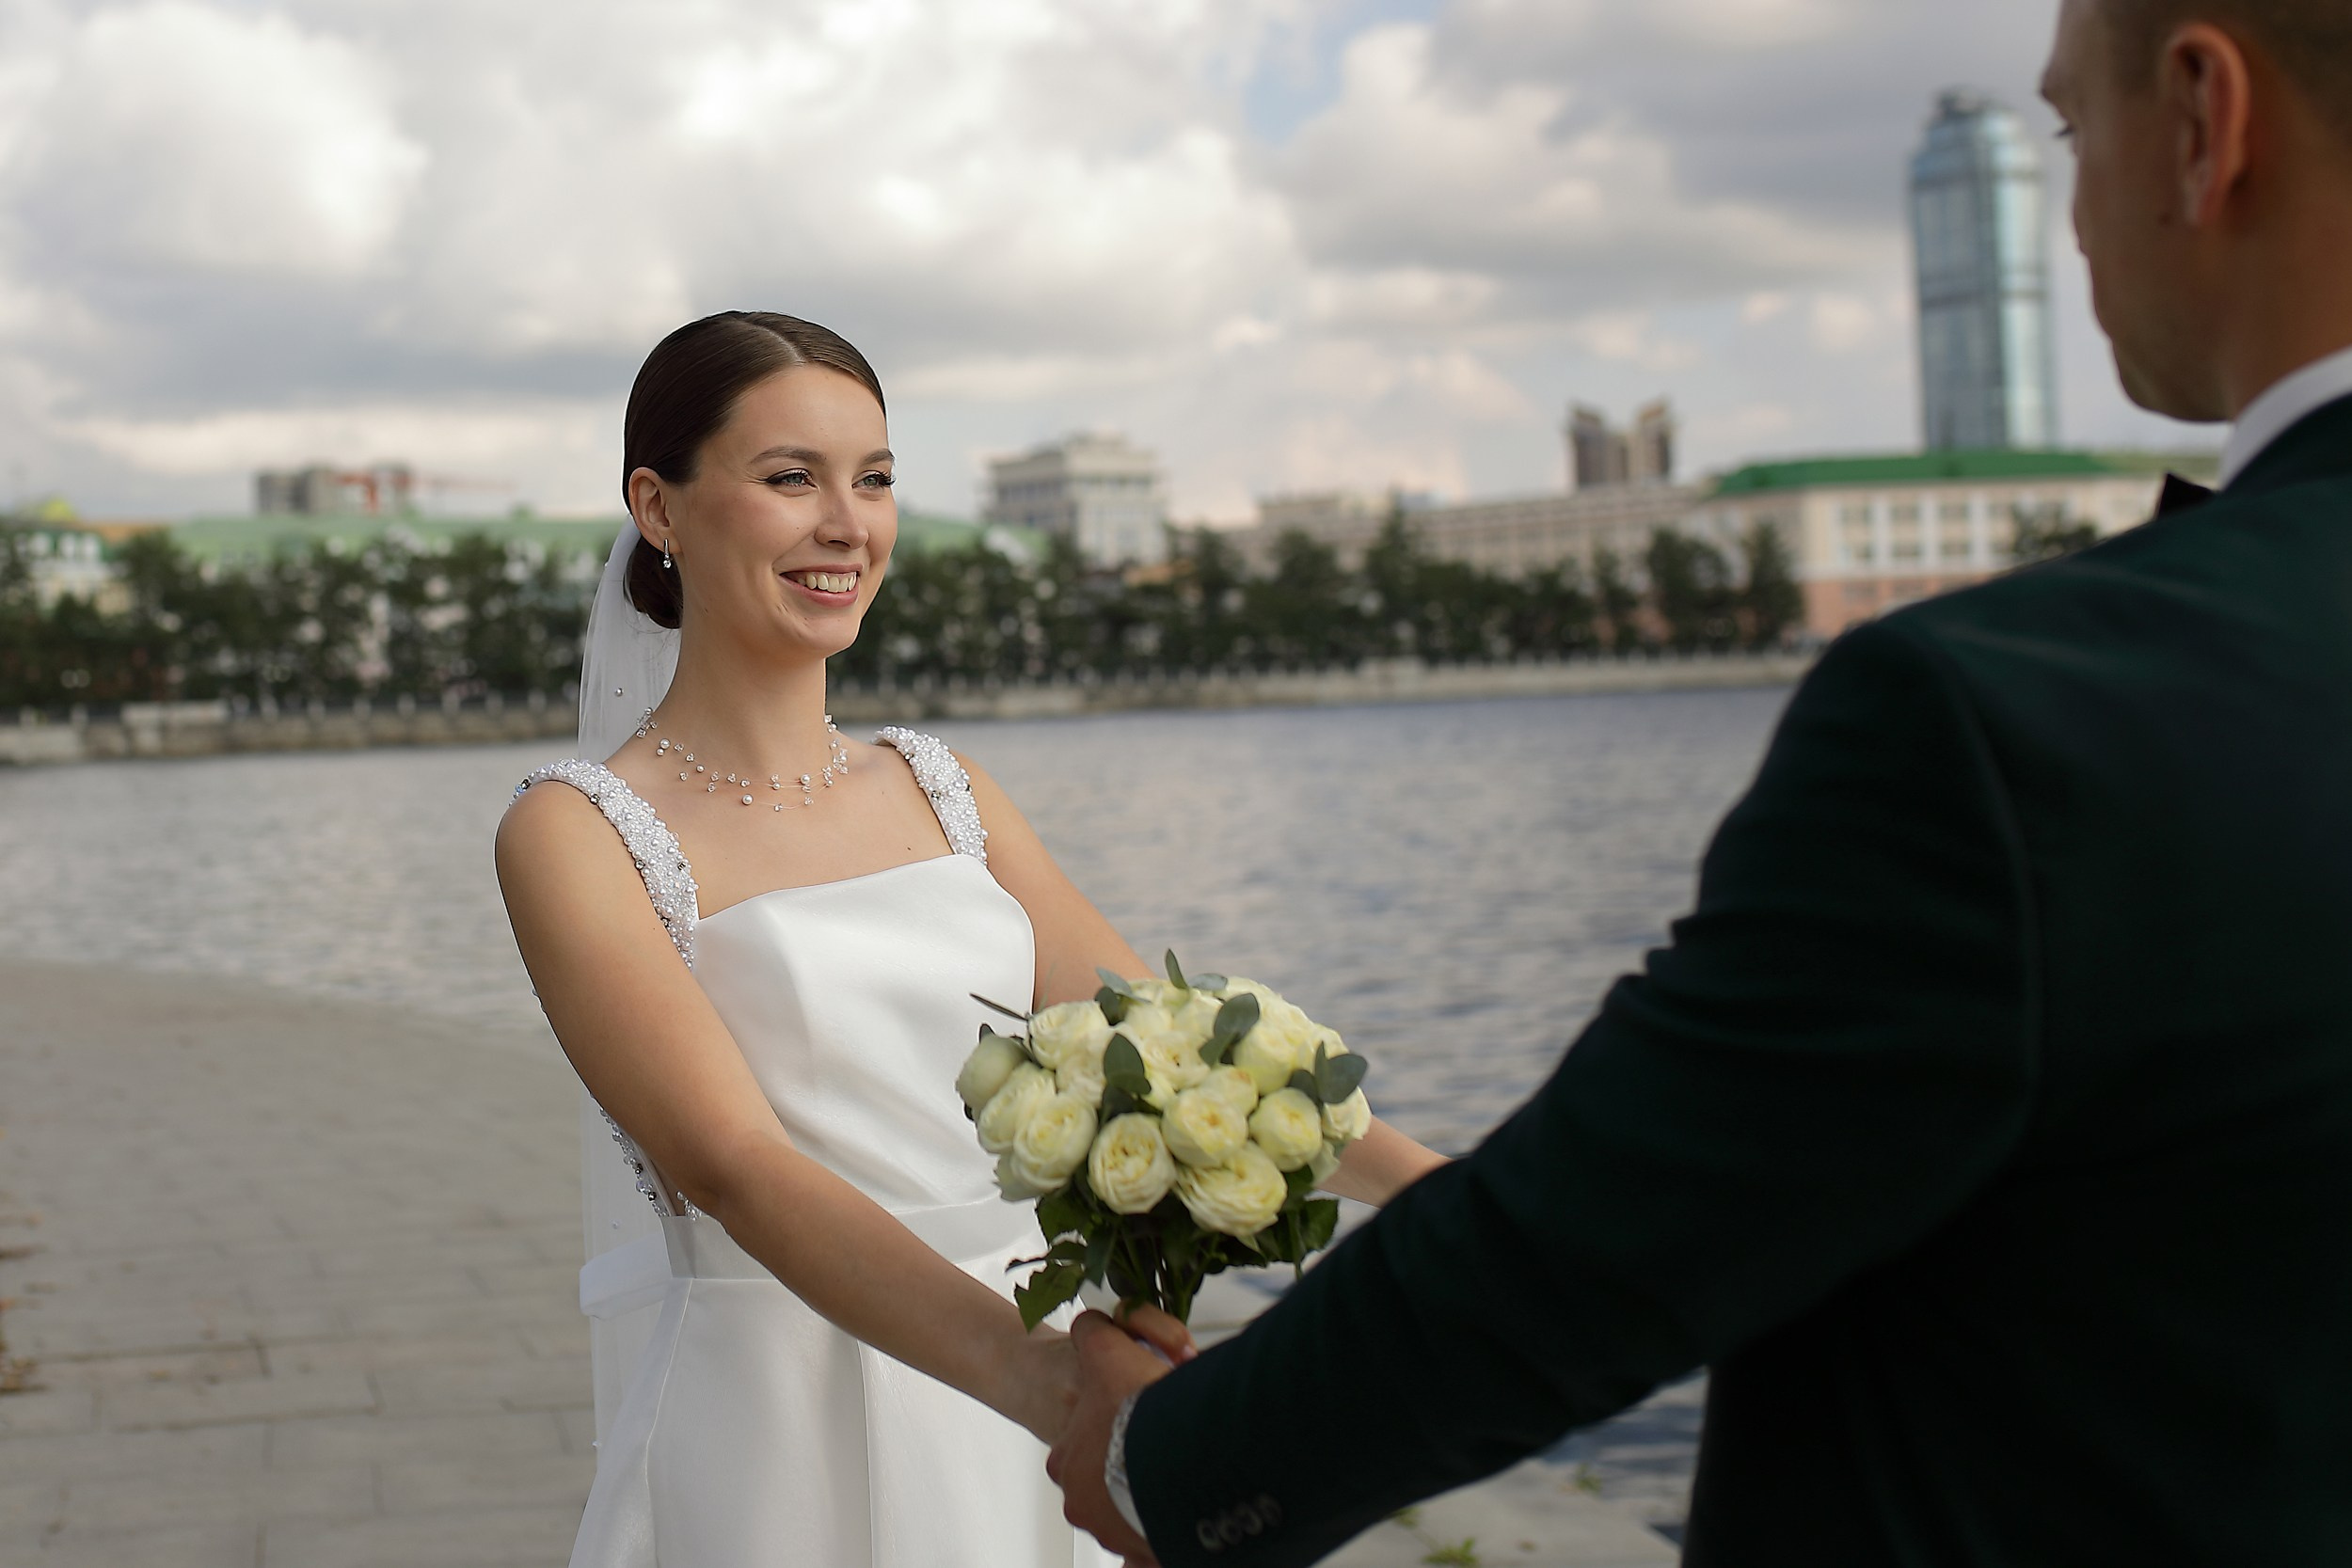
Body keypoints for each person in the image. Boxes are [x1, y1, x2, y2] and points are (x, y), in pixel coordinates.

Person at [1050, 1, 2352, 1561]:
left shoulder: (2005, 716)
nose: (2075, 214)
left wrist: (1169, 1465)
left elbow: (1604, 1241)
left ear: (2206, 118)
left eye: (2076, 130)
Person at [494, 311, 1446, 1568]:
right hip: (797, 1418)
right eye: (792, 478)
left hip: (1032, 1403)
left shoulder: (945, 788)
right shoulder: (576, 831)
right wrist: (1050, 1391)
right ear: (658, 506)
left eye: (875, 479)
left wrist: (1456, 1201)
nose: (849, 524)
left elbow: (1168, 1052)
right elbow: (732, 1164)